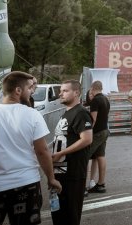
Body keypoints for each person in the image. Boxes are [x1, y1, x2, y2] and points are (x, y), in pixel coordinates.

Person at [0, 71, 62, 225]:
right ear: (18, 90)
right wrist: (51, 178)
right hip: (27, 184)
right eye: (30, 88)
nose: (32, 91)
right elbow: (42, 151)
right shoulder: (32, 115)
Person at [51, 80, 93, 225]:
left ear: (76, 93)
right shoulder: (67, 113)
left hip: (73, 173)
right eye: (60, 91)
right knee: (59, 215)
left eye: (65, 91)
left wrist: (61, 153)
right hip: (61, 171)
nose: (60, 94)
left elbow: (87, 139)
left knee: (70, 216)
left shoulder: (81, 113)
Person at [87, 81, 110, 194]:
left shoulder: (96, 100)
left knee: (84, 156)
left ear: (92, 88)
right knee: (100, 156)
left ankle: (81, 187)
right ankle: (101, 184)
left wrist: (87, 133)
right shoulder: (105, 99)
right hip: (105, 130)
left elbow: (93, 120)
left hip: (97, 133)